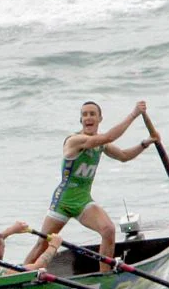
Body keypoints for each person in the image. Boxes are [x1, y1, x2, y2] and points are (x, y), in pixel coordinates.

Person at [24, 100, 156, 267]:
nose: (88, 117)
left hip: (83, 201)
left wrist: (145, 143)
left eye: (92, 114)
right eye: (84, 114)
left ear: (100, 118)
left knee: (108, 230)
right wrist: (133, 114)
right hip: (63, 201)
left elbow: (123, 155)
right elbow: (109, 136)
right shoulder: (75, 140)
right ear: (81, 120)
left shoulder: (101, 145)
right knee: (42, 244)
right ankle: (16, 276)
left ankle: (105, 278)